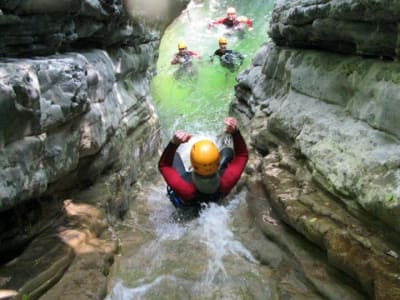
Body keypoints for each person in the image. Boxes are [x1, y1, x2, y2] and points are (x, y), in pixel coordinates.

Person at [158, 117, 248, 209]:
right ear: (217, 163)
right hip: (217, 196)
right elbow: (242, 155)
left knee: (174, 156)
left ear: (192, 163)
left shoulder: (184, 187)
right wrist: (235, 132)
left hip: (188, 202)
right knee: (228, 152)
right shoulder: (228, 180)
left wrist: (174, 143)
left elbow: (164, 166)